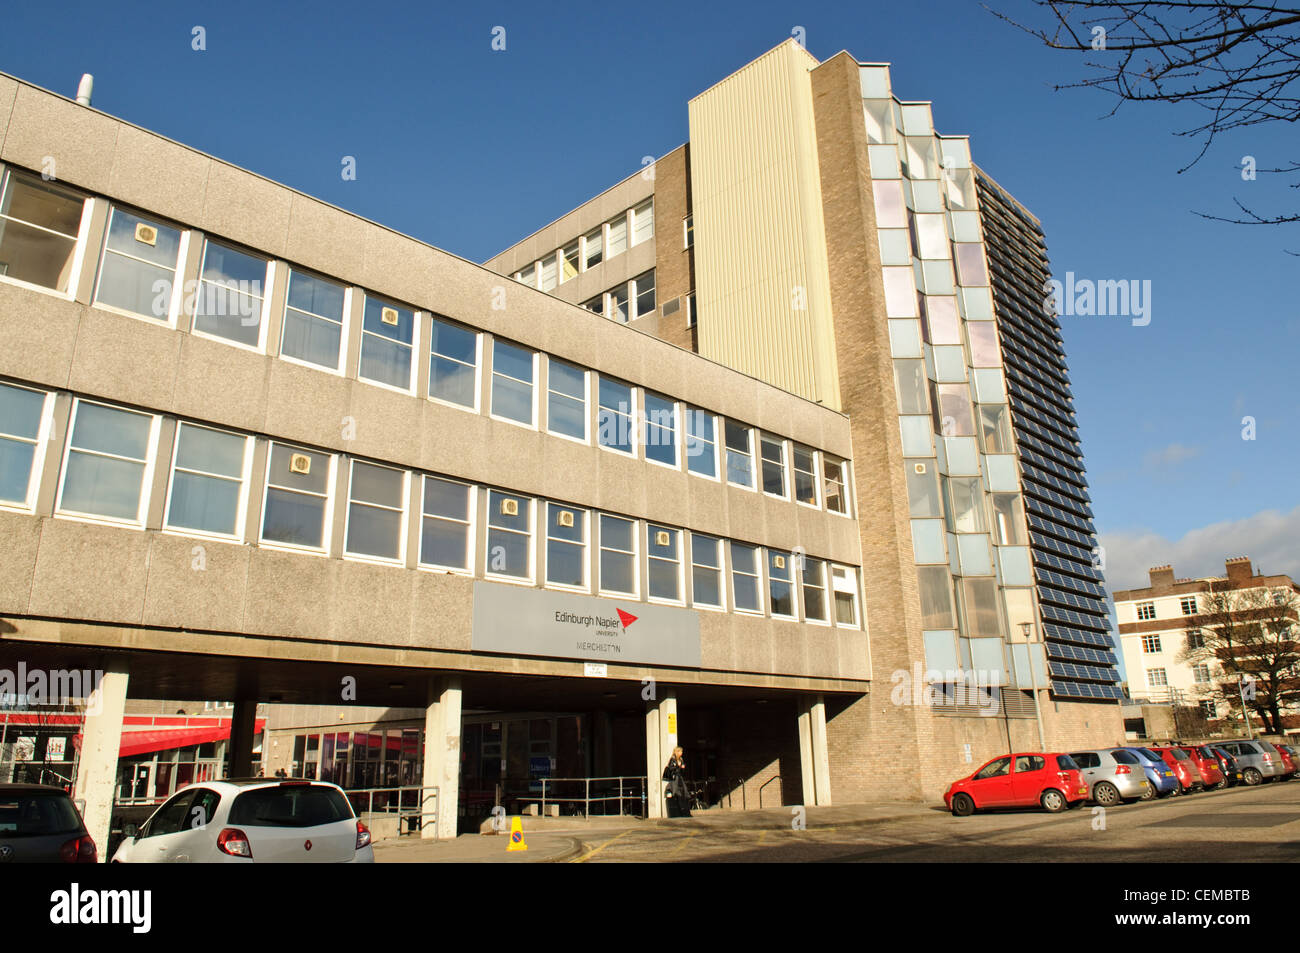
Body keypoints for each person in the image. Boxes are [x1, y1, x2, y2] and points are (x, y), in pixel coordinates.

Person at [662, 747, 692, 818]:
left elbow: (682, 771)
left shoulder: (681, 759)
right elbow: (671, 768)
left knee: (683, 794)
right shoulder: (673, 759)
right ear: (676, 752)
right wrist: (679, 767)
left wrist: (682, 768)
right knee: (676, 793)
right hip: (675, 779)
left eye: (682, 751)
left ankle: (685, 812)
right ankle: (678, 813)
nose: (681, 753)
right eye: (680, 751)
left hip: (680, 778)